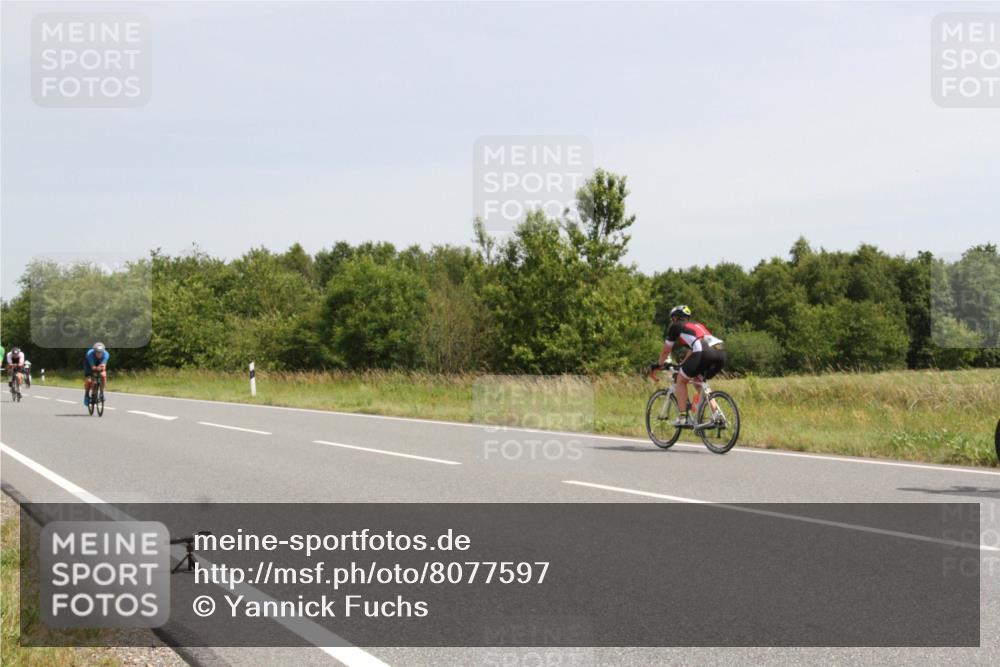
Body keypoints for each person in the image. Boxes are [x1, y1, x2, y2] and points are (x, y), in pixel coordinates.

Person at [653, 305, 726, 426]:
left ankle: (683, 418)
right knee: (699, 381)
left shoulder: (675, 326)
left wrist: (659, 364)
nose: (672, 321)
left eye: (672, 318)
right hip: (720, 351)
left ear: (675, 318)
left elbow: (666, 351)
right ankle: (717, 414)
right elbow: (694, 348)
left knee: (681, 380)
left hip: (704, 351)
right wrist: (683, 364)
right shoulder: (697, 325)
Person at [84, 342, 110, 406]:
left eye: (101, 352)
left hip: (99, 364)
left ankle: (101, 393)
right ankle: (86, 395)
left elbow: (103, 366)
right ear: (94, 351)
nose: (99, 354)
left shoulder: (106, 354)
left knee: (103, 375)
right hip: (89, 366)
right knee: (89, 380)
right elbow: (93, 367)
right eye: (97, 352)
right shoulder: (90, 354)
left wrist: (101, 368)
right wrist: (96, 368)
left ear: (103, 351)